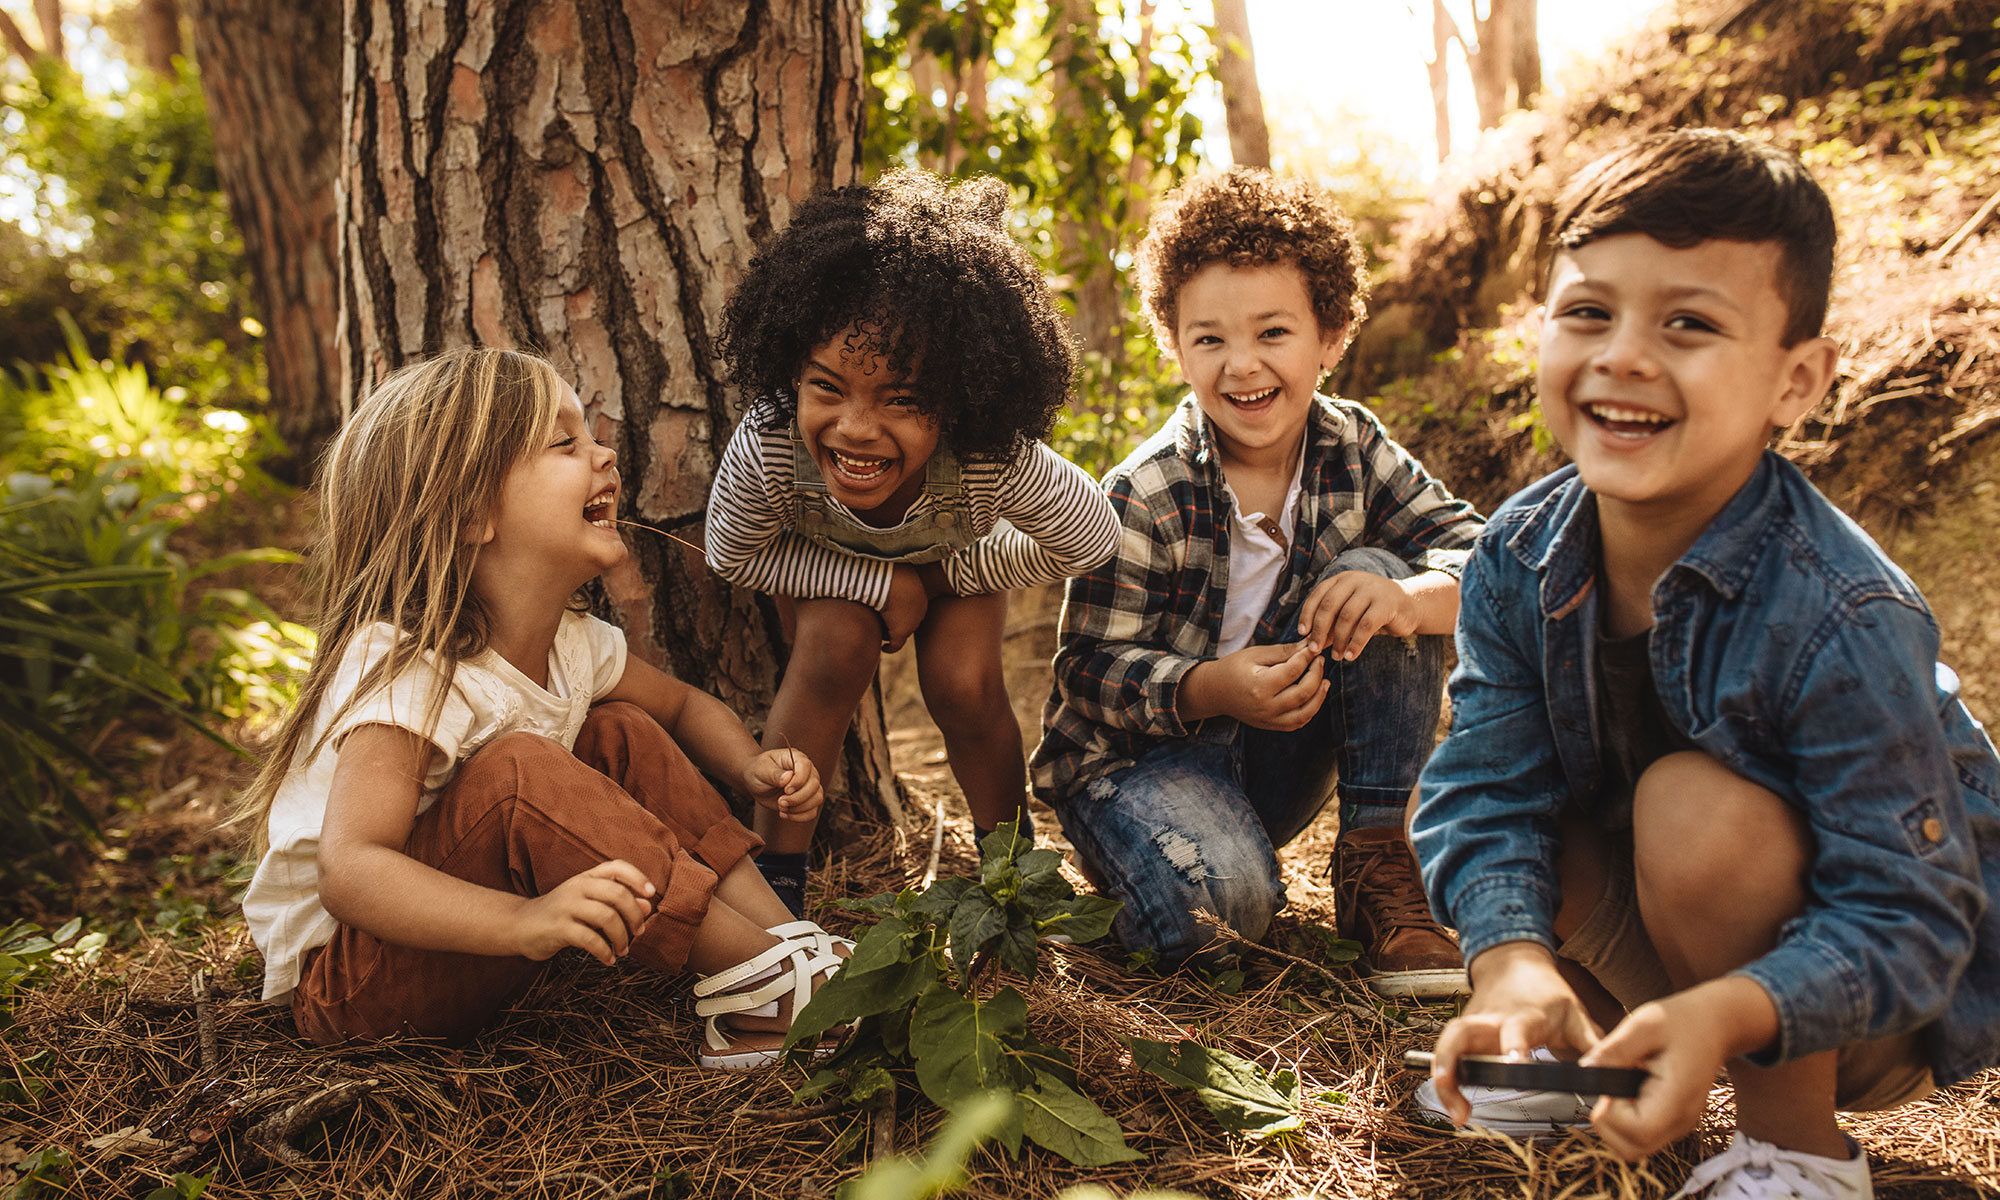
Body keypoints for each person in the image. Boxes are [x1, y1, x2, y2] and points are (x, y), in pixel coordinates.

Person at [1412, 128, 2000, 1198]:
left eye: (1687, 323)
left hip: (1862, 995)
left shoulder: (1838, 609)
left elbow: (1908, 916)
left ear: (1795, 382)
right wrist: (1509, 962)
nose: (1623, 355)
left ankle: (1794, 1154)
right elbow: (1484, 786)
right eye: (1587, 311)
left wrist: (1724, 1012)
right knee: (1532, 813)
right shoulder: (1516, 553)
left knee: (1691, 806)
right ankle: (1575, 1055)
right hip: (1674, 934)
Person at [234, 348, 848, 1069]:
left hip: (467, 945)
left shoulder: (575, 645)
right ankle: (774, 990)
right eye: (565, 443)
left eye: (590, 435)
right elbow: (352, 870)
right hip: (356, 984)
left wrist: (747, 765)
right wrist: (524, 921)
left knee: (619, 729)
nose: (605, 454)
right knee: (521, 769)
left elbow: (680, 707)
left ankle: (783, 947)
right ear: (469, 511)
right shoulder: (409, 665)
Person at [1030, 168, 1486, 995]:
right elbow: (1087, 671)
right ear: (1175, 346)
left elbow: (1487, 557)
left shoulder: (1354, 446)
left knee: (1378, 578)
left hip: (1278, 756)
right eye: (1209, 339)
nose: (1242, 366)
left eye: (1273, 332)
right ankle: (1163, 876)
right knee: (1223, 915)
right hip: (1137, 770)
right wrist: (1210, 688)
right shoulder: (1146, 491)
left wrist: (1411, 599)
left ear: (1333, 335)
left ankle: (1378, 859)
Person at [705, 169, 1119, 917]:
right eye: (827, 387)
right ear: (791, 371)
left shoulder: (991, 455)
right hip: (830, 575)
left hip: (955, 568)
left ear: (960, 403)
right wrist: (877, 585)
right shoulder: (770, 444)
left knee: (963, 684)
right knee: (833, 647)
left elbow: (1089, 537)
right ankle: (775, 897)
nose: (856, 428)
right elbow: (732, 554)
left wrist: (949, 572)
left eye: (901, 399)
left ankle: (1013, 878)